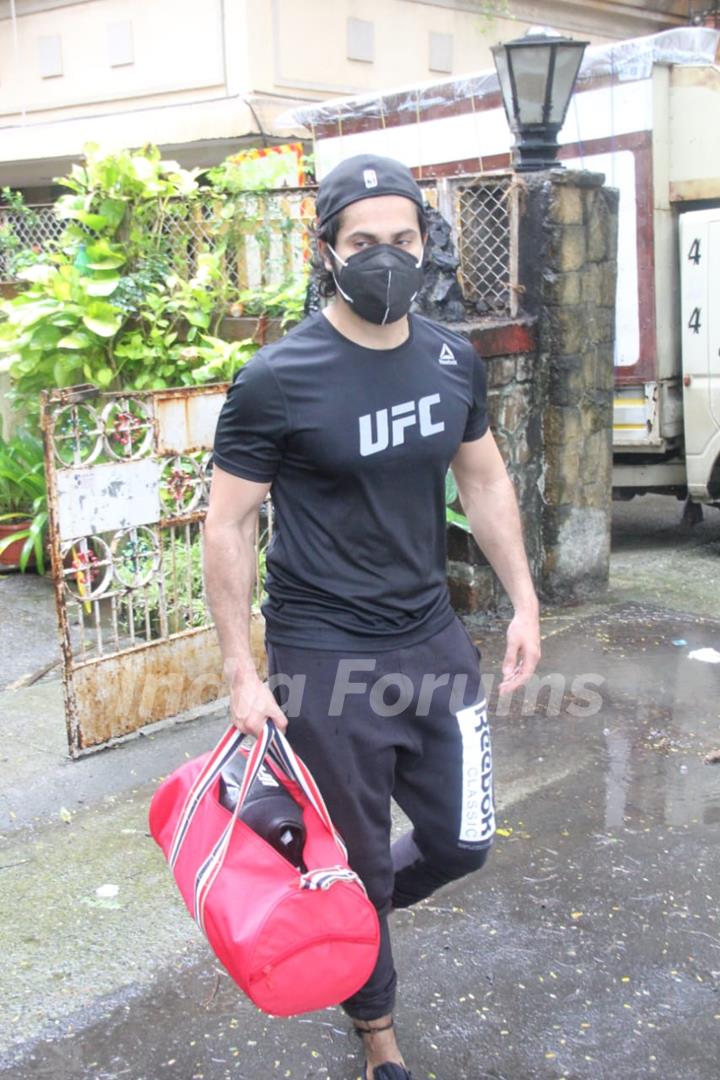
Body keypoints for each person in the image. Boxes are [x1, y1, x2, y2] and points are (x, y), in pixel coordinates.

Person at [204, 154, 541, 1080]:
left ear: (426, 243)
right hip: (323, 659)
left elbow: (483, 477)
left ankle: (355, 901)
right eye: (364, 241)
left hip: (432, 640)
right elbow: (228, 525)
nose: (385, 256)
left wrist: (523, 599)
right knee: (357, 856)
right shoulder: (278, 378)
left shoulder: (449, 356)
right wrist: (242, 672)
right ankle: (378, 1040)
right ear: (327, 251)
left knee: (462, 844)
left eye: (402, 238)